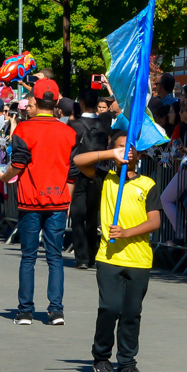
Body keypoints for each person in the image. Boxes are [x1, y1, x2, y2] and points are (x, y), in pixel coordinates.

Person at [73, 130, 163, 372]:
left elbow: (154, 221)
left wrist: (126, 233)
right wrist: (109, 153)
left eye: (130, 148)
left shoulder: (148, 184)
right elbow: (79, 161)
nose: (126, 151)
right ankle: (101, 358)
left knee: (132, 312)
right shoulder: (105, 178)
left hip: (139, 259)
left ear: (139, 152)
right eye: (121, 147)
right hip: (109, 257)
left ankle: (127, 363)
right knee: (110, 308)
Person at [0, 78, 76, 326]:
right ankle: (56, 310)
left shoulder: (24, 129)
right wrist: (67, 200)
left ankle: (25, 311)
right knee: (55, 257)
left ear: (36, 100)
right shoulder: (69, 132)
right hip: (58, 201)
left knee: (28, 257)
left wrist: (4, 176)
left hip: (31, 200)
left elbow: (18, 164)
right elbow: (72, 172)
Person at [67, 85, 109, 270]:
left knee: (77, 215)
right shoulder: (104, 123)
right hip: (98, 172)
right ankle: (92, 255)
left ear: (81, 103)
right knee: (93, 215)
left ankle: (82, 257)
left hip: (77, 173)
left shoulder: (73, 125)